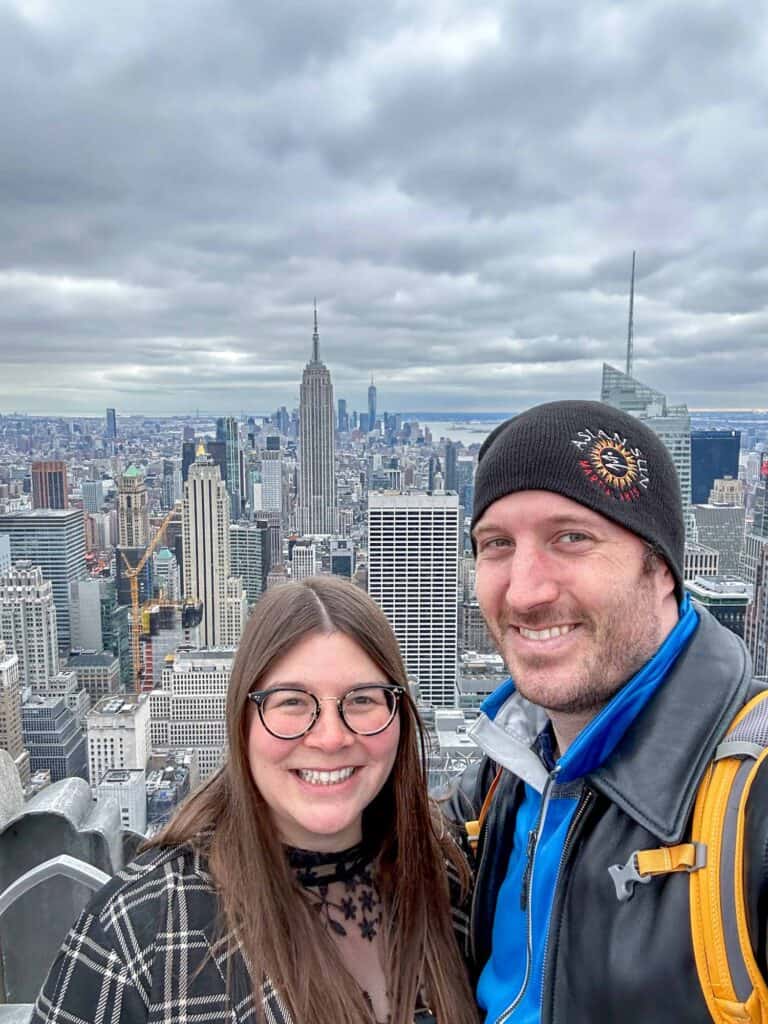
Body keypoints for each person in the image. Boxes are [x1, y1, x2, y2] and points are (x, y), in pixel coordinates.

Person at [33, 577, 479, 1024]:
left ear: (400, 715)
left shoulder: (449, 884)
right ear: (243, 721)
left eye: (362, 699)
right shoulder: (141, 930)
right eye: (291, 702)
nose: (330, 738)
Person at [450, 399, 768, 1023]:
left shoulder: (752, 807)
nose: (525, 589)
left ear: (662, 570)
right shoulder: (502, 782)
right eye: (496, 544)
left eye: (572, 537)